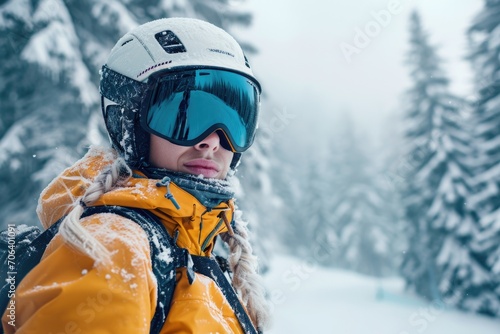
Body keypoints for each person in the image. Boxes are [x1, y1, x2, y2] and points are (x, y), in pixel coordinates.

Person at [2, 17, 270, 333]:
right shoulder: (113, 248)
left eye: (233, 122)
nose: (213, 139)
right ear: (129, 123)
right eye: (186, 115)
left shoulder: (191, 248)